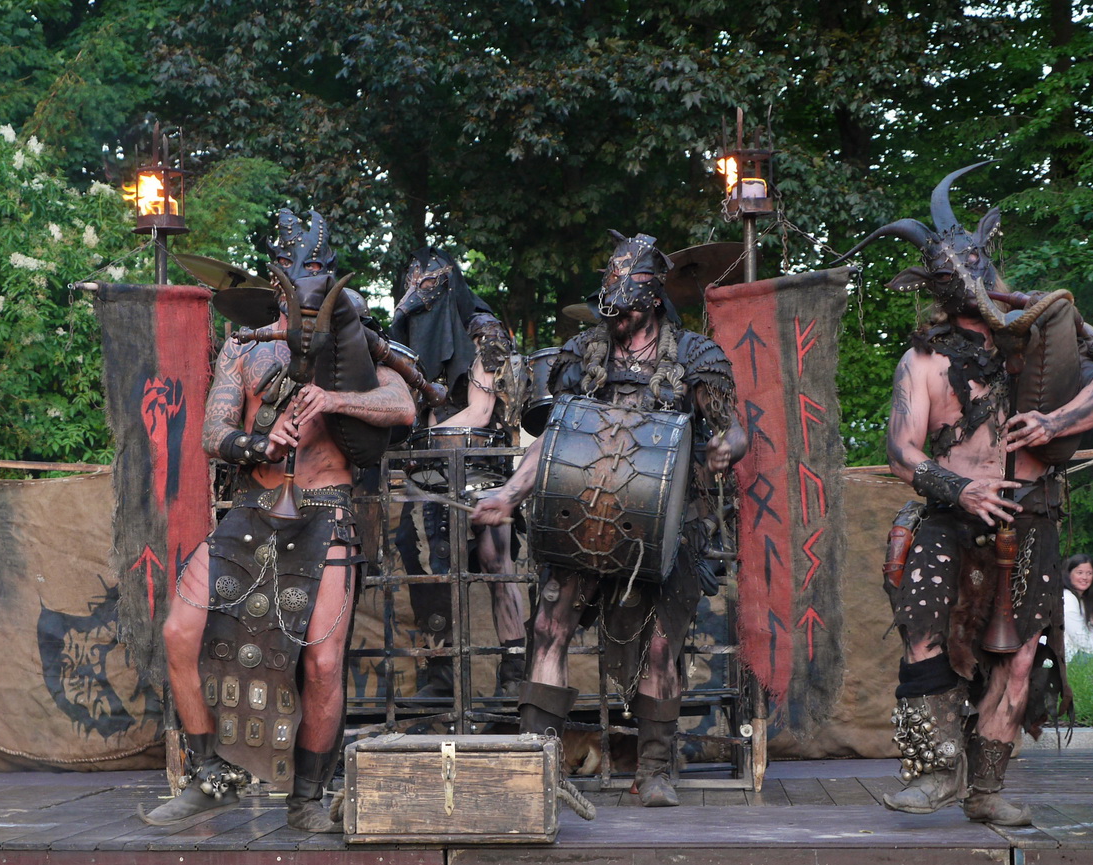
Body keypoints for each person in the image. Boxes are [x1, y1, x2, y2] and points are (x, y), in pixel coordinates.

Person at [844, 164, 1093, 826]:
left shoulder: (1042, 335)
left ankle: (986, 788)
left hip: (1030, 515)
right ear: (938, 289)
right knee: (924, 632)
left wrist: (1053, 423)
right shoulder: (925, 361)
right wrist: (960, 488)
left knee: (1021, 653)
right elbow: (901, 451)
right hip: (948, 517)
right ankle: (935, 771)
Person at [142, 209, 417, 831]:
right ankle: (210, 776)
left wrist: (337, 398)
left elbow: (402, 404)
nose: (311, 284)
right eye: (300, 274)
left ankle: (308, 799)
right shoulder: (248, 348)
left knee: (321, 662)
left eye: (322, 272)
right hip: (254, 509)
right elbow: (214, 432)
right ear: (280, 281)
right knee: (179, 634)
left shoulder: (354, 342)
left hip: (326, 513)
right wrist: (258, 446)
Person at [472, 231, 746, 807]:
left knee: (662, 646)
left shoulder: (696, 356)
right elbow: (552, 439)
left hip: (667, 524)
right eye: (610, 308)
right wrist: (511, 495)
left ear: (651, 298)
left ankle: (654, 770)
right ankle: (535, 765)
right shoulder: (582, 353)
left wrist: (727, 448)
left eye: (625, 310)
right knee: (548, 628)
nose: (616, 320)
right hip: (582, 512)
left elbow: (732, 429)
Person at [387, 248, 527, 700]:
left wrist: (416, 440)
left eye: (425, 287)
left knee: (494, 556)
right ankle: (441, 670)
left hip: (482, 466)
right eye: (411, 287)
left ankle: (514, 671)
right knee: (419, 553)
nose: (417, 297)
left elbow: (482, 412)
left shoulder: (484, 332)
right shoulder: (409, 337)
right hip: (428, 469)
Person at [1062, 554, 1093, 659]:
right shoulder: (1068, 599)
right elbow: (1080, 639)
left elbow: (1088, 632)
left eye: (1089, 573)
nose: (1084, 577)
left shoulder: (1081, 600)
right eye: (1079, 573)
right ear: (1068, 574)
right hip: (1070, 657)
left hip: (1082, 652)